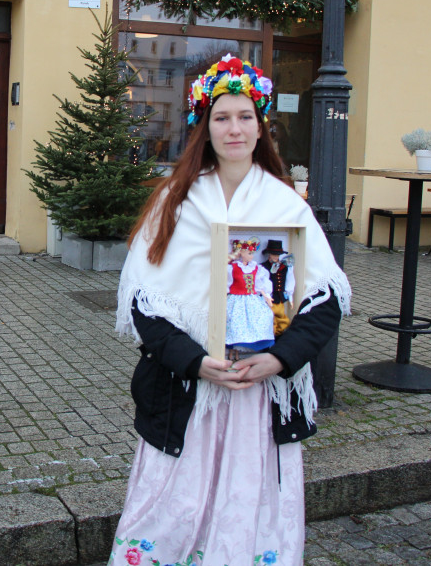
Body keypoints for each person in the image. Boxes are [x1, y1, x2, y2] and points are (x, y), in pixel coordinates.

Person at [110, 54, 351, 565]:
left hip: (258, 397)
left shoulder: (287, 207)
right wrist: (195, 362)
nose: (234, 128)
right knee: (172, 510)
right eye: (222, 117)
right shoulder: (175, 202)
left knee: (248, 509)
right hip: (188, 392)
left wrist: (280, 359)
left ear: (262, 127)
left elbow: (324, 303)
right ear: (205, 125)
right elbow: (143, 306)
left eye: (245, 117)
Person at [225, 236, 274, 360]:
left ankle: (250, 348)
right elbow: (226, 284)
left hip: (252, 299)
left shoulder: (256, 268)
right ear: (241, 253)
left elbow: (260, 285)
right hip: (236, 299)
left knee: (261, 318)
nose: (252, 256)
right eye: (250, 253)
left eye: (252, 253)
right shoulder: (232, 268)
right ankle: (231, 353)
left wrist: (267, 297)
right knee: (235, 322)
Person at [263, 238, 296, 335]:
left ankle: (278, 336)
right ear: (269, 254)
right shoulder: (264, 267)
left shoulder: (284, 267)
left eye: (277, 255)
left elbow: (290, 280)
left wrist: (290, 297)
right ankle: (270, 338)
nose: (276, 257)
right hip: (269, 299)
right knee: (270, 320)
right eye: (274, 254)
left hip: (280, 297)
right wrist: (266, 296)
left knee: (282, 320)